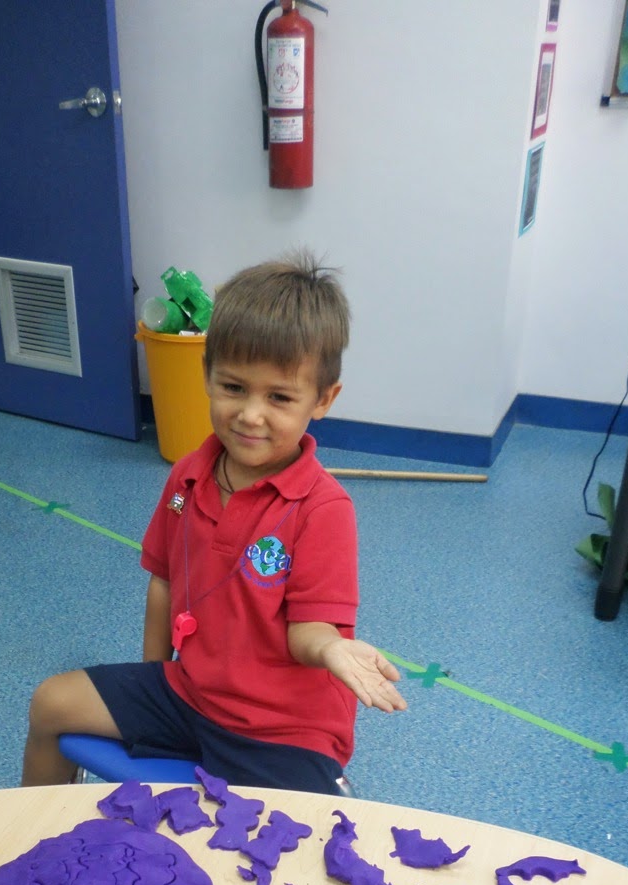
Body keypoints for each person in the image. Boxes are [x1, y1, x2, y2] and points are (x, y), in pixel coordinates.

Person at [22, 250, 405, 795]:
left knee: (282, 837)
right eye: (233, 387)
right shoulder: (187, 476)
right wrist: (152, 682)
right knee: (51, 703)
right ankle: (38, 829)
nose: (250, 414)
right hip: (189, 694)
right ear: (206, 374)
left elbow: (310, 631)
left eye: (279, 397)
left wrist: (332, 650)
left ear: (323, 399)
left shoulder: (324, 509)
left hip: (282, 730)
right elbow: (163, 581)